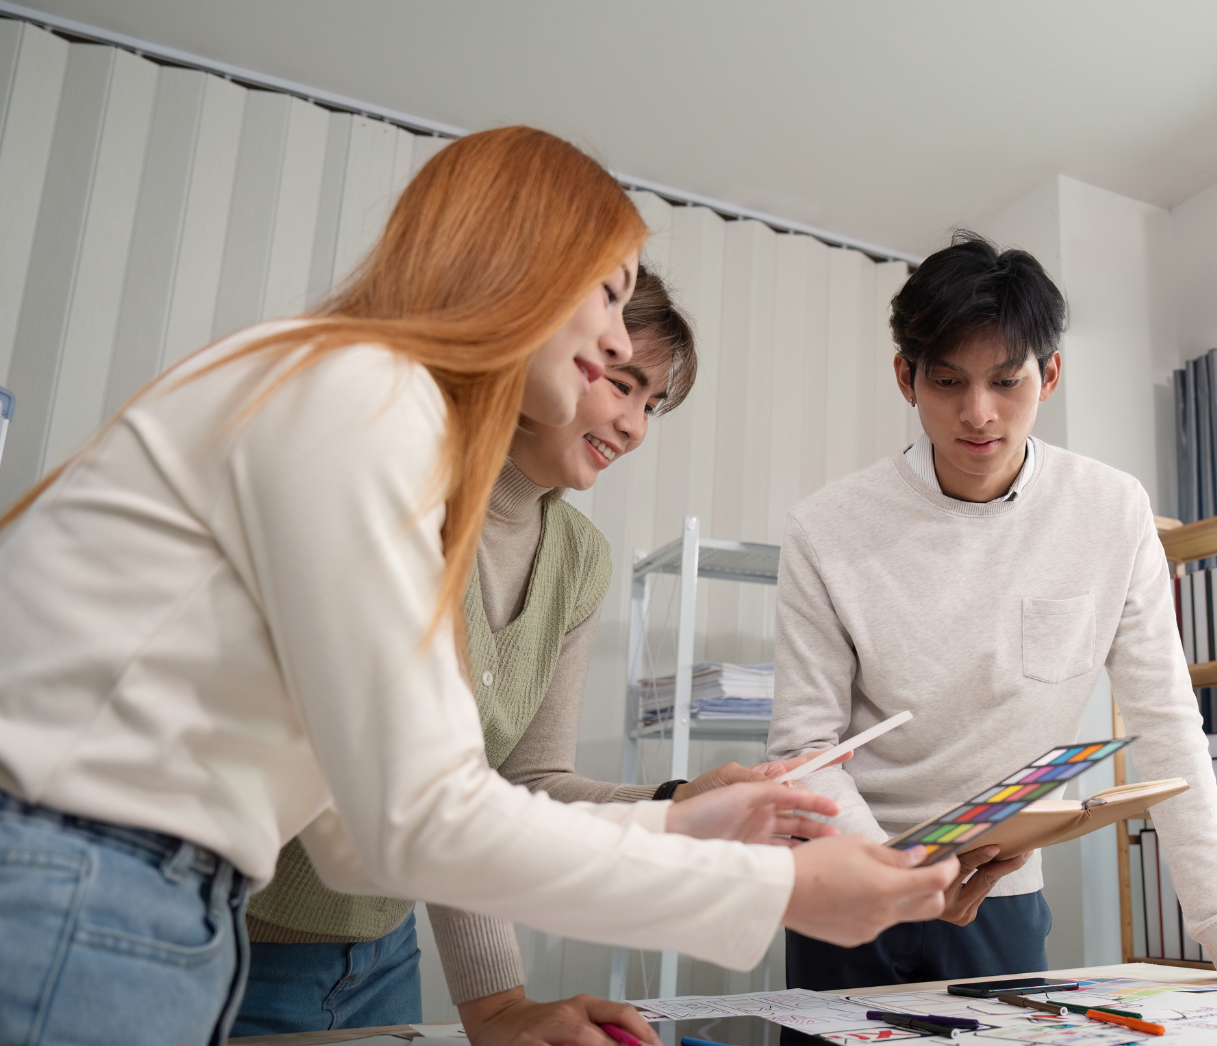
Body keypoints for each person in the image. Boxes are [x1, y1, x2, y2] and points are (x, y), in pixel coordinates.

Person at [0, 127, 957, 1046]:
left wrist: (679, 821)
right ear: (521, 264)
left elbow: (365, 836)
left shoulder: (371, 413)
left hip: (155, 894)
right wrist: (778, 892)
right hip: (87, 874)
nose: (617, 341)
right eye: (612, 296)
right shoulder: (368, 393)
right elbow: (423, 816)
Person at [234, 268, 832, 1041]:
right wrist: (497, 1004)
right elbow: (437, 795)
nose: (635, 426)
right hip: (240, 938)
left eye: (652, 406)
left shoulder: (579, 559)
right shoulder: (400, 490)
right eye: (621, 384)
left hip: (382, 952)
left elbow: (525, 786)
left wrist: (677, 802)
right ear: (546, 352)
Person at [767, 232, 1217, 990]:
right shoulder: (828, 528)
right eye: (948, 382)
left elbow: (1165, 721)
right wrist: (894, 874)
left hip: (998, 902)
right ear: (907, 378)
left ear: (1051, 374)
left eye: (1007, 382)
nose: (978, 414)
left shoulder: (1110, 511)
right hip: (848, 888)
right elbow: (804, 748)